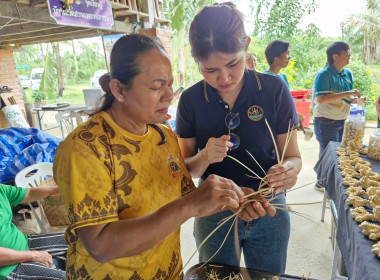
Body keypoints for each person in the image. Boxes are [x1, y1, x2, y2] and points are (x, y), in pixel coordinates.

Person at [53, 34, 263, 280]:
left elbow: (183, 200)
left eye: (170, 84)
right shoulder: (86, 148)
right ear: (119, 89)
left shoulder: (163, 136)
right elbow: (100, 245)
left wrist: (233, 198)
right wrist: (190, 204)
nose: (168, 95)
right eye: (156, 86)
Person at [176, 2, 302, 274]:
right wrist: (205, 156)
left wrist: (287, 173)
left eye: (233, 63)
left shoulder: (274, 90)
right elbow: (183, 171)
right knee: (216, 277)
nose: (224, 78)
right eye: (210, 70)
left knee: (269, 277)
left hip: (269, 208)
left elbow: (292, 157)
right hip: (214, 213)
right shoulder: (190, 100)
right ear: (198, 62)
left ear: (246, 44)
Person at [312, 41, 361, 192]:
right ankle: (322, 183)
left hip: (342, 119)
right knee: (329, 153)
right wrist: (349, 93)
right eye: (346, 54)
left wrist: (354, 99)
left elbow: (344, 98)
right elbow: (320, 99)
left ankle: (326, 180)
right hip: (325, 120)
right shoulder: (323, 75)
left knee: (338, 152)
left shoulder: (347, 74)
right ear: (335, 56)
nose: (349, 57)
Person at [0, 183, 67, 280]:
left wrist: (59, 190)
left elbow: (29, 193)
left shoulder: (1, 190)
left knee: (75, 239)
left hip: (24, 243)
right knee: (67, 277)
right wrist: (33, 255)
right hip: (7, 268)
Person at [264, 40, 305, 132]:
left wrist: (294, 118)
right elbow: (270, 107)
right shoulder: (267, 78)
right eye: (287, 54)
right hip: (274, 127)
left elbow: (286, 102)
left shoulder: (283, 77)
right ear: (276, 57)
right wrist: (294, 115)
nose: (289, 57)